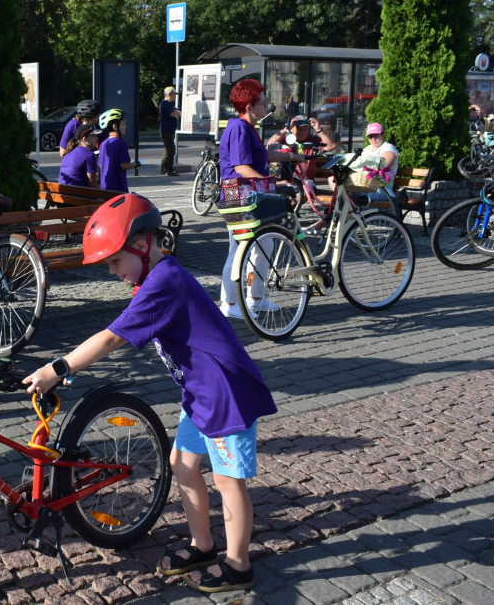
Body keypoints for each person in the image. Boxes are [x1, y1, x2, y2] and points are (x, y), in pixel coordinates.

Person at [21, 193, 277, 594]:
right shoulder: (154, 277)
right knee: (183, 465)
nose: (111, 272)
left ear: (141, 245)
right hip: (201, 395)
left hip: (227, 395)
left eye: (113, 262)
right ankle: (203, 546)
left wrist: (59, 367)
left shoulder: (164, 282)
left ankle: (238, 567)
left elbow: (109, 340)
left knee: (229, 482)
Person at [219, 79, 305, 320]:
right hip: (237, 192)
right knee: (238, 249)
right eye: (262, 102)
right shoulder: (238, 128)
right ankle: (228, 302)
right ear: (249, 105)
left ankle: (255, 299)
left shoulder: (247, 127)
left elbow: (263, 154)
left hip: (247, 192)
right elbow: (242, 167)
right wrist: (270, 184)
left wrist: (292, 158)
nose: (267, 105)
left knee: (263, 245)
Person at [266, 115, 323, 180]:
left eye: (305, 129)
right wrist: (286, 128)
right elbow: (270, 144)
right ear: (292, 128)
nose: (302, 132)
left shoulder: (313, 140)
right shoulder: (286, 138)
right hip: (287, 180)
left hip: (306, 182)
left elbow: (331, 146)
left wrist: (319, 130)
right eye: (299, 129)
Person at [96, 108, 138, 192]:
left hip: (105, 187)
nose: (125, 126)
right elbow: (124, 165)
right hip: (118, 187)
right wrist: (135, 164)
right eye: (123, 124)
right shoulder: (120, 143)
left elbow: (99, 167)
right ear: (115, 126)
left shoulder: (103, 144)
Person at [159, 86, 181, 176]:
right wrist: (177, 113)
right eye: (174, 95)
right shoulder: (165, 103)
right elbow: (173, 113)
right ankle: (169, 170)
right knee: (171, 150)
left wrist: (177, 112)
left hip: (168, 130)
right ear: (169, 94)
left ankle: (164, 169)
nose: (175, 97)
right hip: (166, 131)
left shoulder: (169, 104)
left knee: (167, 151)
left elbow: (176, 112)